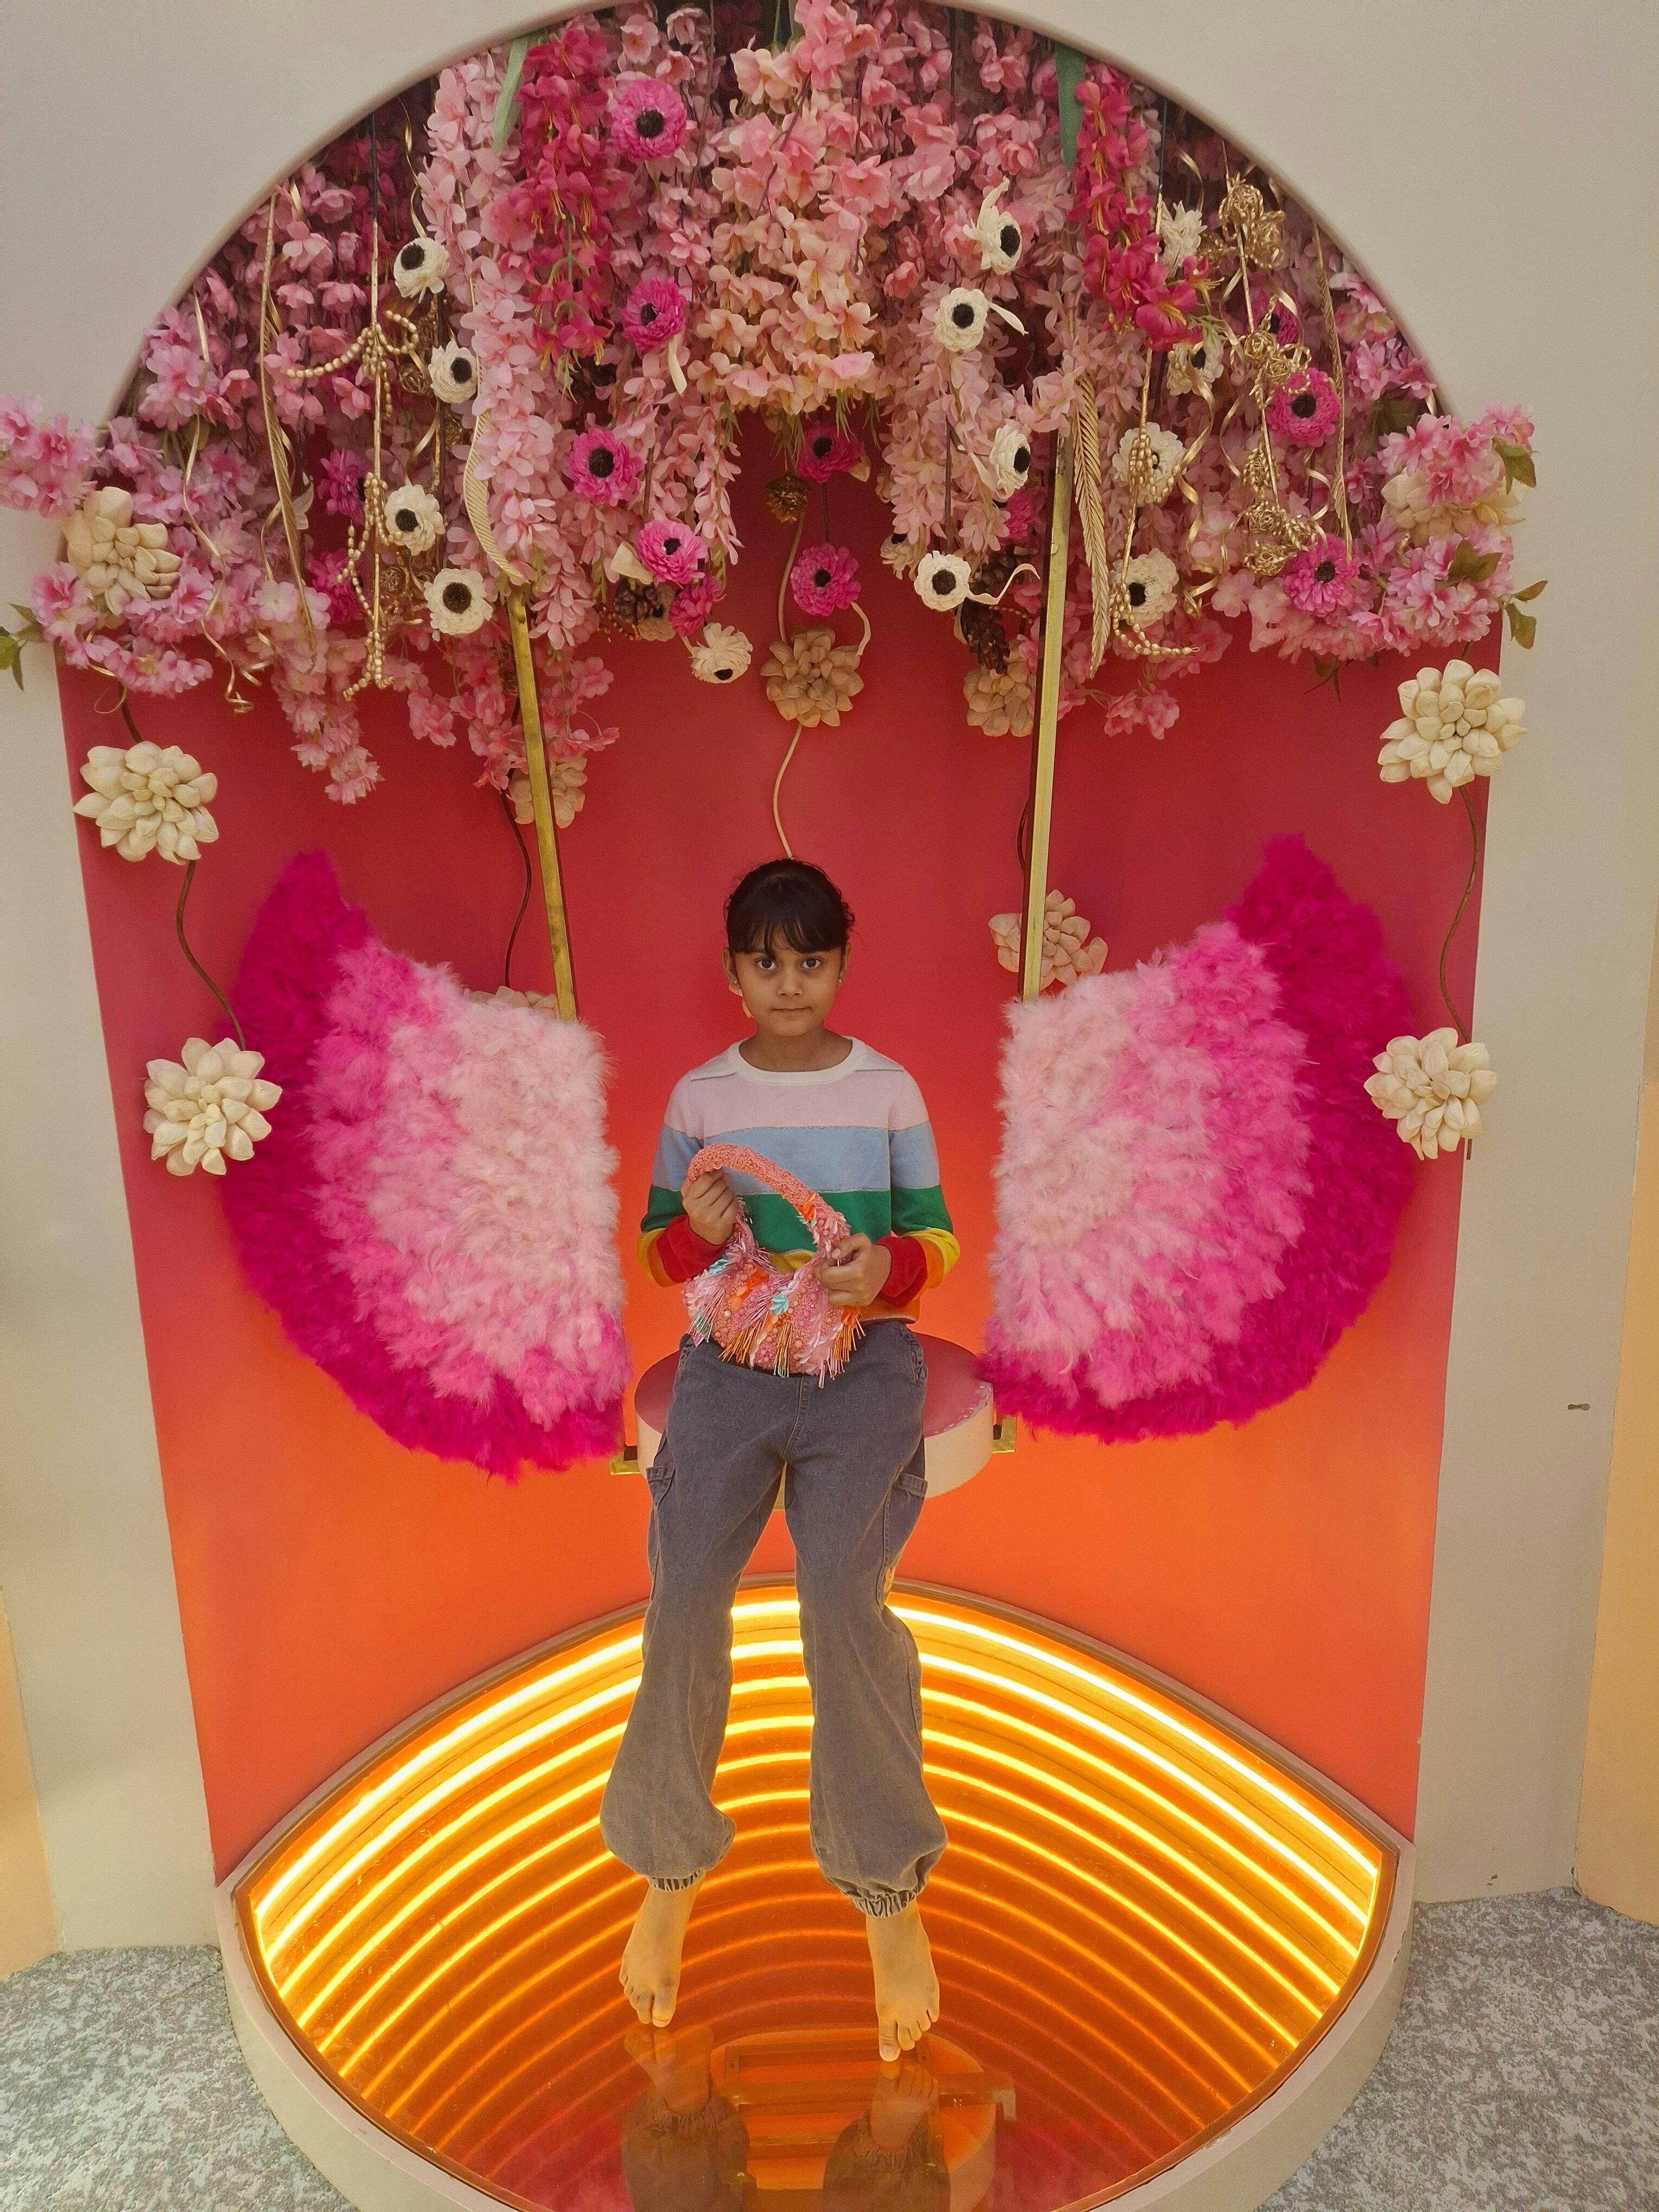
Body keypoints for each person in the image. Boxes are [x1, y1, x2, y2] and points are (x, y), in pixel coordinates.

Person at [600, 858, 959, 2060]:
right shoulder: (702, 1096)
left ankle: (887, 1897)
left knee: (840, 1602)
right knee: (684, 1598)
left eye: (811, 960)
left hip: (865, 1364)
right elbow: (659, 1247)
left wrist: (888, 1271)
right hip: (732, 1361)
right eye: (767, 961)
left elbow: (937, 1239)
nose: (789, 982)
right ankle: (668, 1873)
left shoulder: (888, 1088)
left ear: (841, 967)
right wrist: (692, 1236)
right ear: (734, 972)